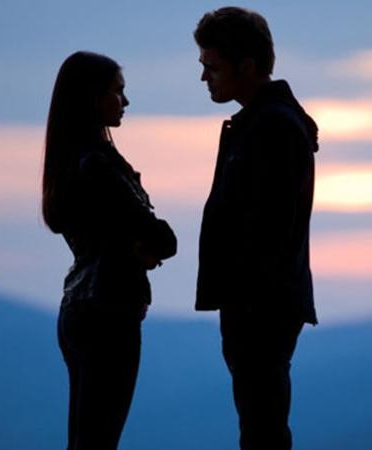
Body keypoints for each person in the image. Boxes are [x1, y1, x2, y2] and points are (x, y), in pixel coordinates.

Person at [193, 7, 318, 450]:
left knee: (262, 424)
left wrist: (244, 294)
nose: (205, 78)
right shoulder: (264, 124)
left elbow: (267, 224)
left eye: (212, 67)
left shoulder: (272, 128)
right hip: (257, 300)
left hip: (259, 303)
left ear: (246, 67)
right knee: (260, 418)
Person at [42, 51, 177, 450]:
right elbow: (162, 238)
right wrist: (143, 246)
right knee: (99, 440)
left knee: (86, 437)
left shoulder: (70, 164)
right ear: (92, 97)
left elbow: (138, 236)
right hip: (110, 314)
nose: (126, 101)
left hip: (78, 308)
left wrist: (138, 244)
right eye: (118, 91)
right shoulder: (99, 166)